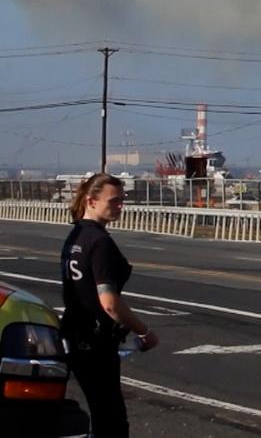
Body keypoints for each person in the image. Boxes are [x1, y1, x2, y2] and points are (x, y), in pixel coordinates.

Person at [60, 173, 160, 438]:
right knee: (111, 421)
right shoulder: (99, 242)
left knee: (101, 412)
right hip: (94, 341)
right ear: (92, 201)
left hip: (74, 333)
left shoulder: (75, 236)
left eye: (122, 200)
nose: (120, 206)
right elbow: (109, 303)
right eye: (114, 201)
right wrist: (144, 331)